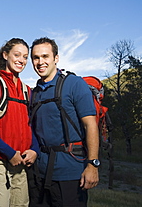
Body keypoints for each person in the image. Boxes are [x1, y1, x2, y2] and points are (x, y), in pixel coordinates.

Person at [28, 37, 99, 207]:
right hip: (40, 173)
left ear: (56, 58)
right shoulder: (35, 92)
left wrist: (93, 165)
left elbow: (91, 125)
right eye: (36, 58)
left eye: (45, 56)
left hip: (71, 173)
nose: (40, 62)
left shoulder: (74, 84)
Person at [0, 38, 39, 207]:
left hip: (21, 163)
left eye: (25, 57)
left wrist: (34, 150)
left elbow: (31, 126)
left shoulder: (27, 91)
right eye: (17, 55)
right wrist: (10, 153)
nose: (21, 60)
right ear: (5, 55)